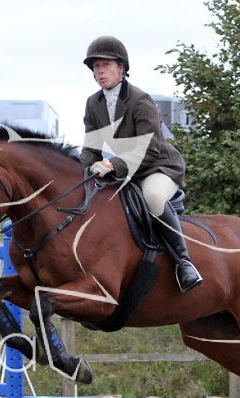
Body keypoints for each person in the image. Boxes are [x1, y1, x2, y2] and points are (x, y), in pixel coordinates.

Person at [80, 35, 203, 293]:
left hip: (158, 166)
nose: (99, 71)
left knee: (153, 197)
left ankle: (184, 263)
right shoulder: (93, 103)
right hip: (126, 171)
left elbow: (150, 148)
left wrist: (111, 165)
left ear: (121, 68)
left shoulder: (140, 99)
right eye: (96, 66)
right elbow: (91, 148)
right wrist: (77, 177)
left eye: (105, 65)